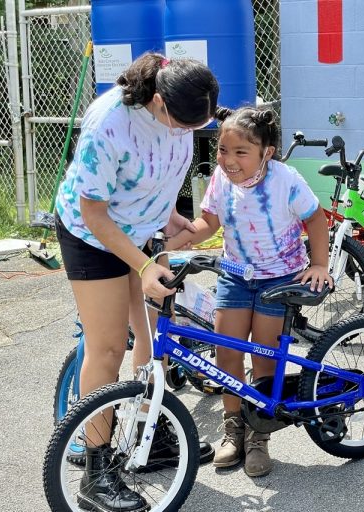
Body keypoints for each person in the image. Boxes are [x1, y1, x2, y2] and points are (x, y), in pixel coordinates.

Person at [54, 52, 218, 511]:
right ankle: (97, 473)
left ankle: (149, 434)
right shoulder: (108, 125)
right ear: (160, 101)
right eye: (184, 123)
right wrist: (143, 267)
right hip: (94, 235)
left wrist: (171, 219)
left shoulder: (182, 115)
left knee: (151, 336)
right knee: (107, 348)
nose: (189, 132)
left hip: (140, 231)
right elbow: (94, 211)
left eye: (196, 127)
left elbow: (156, 175)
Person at [167, 106, 334, 477]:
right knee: (226, 357)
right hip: (235, 277)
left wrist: (319, 264)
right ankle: (234, 430)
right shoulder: (220, 180)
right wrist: (176, 240)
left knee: (264, 360)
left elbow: (315, 218)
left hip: (280, 280)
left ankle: (259, 436)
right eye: (223, 150)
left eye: (240, 152)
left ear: (266, 153)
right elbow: (208, 221)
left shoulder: (285, 179)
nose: (228, 160)